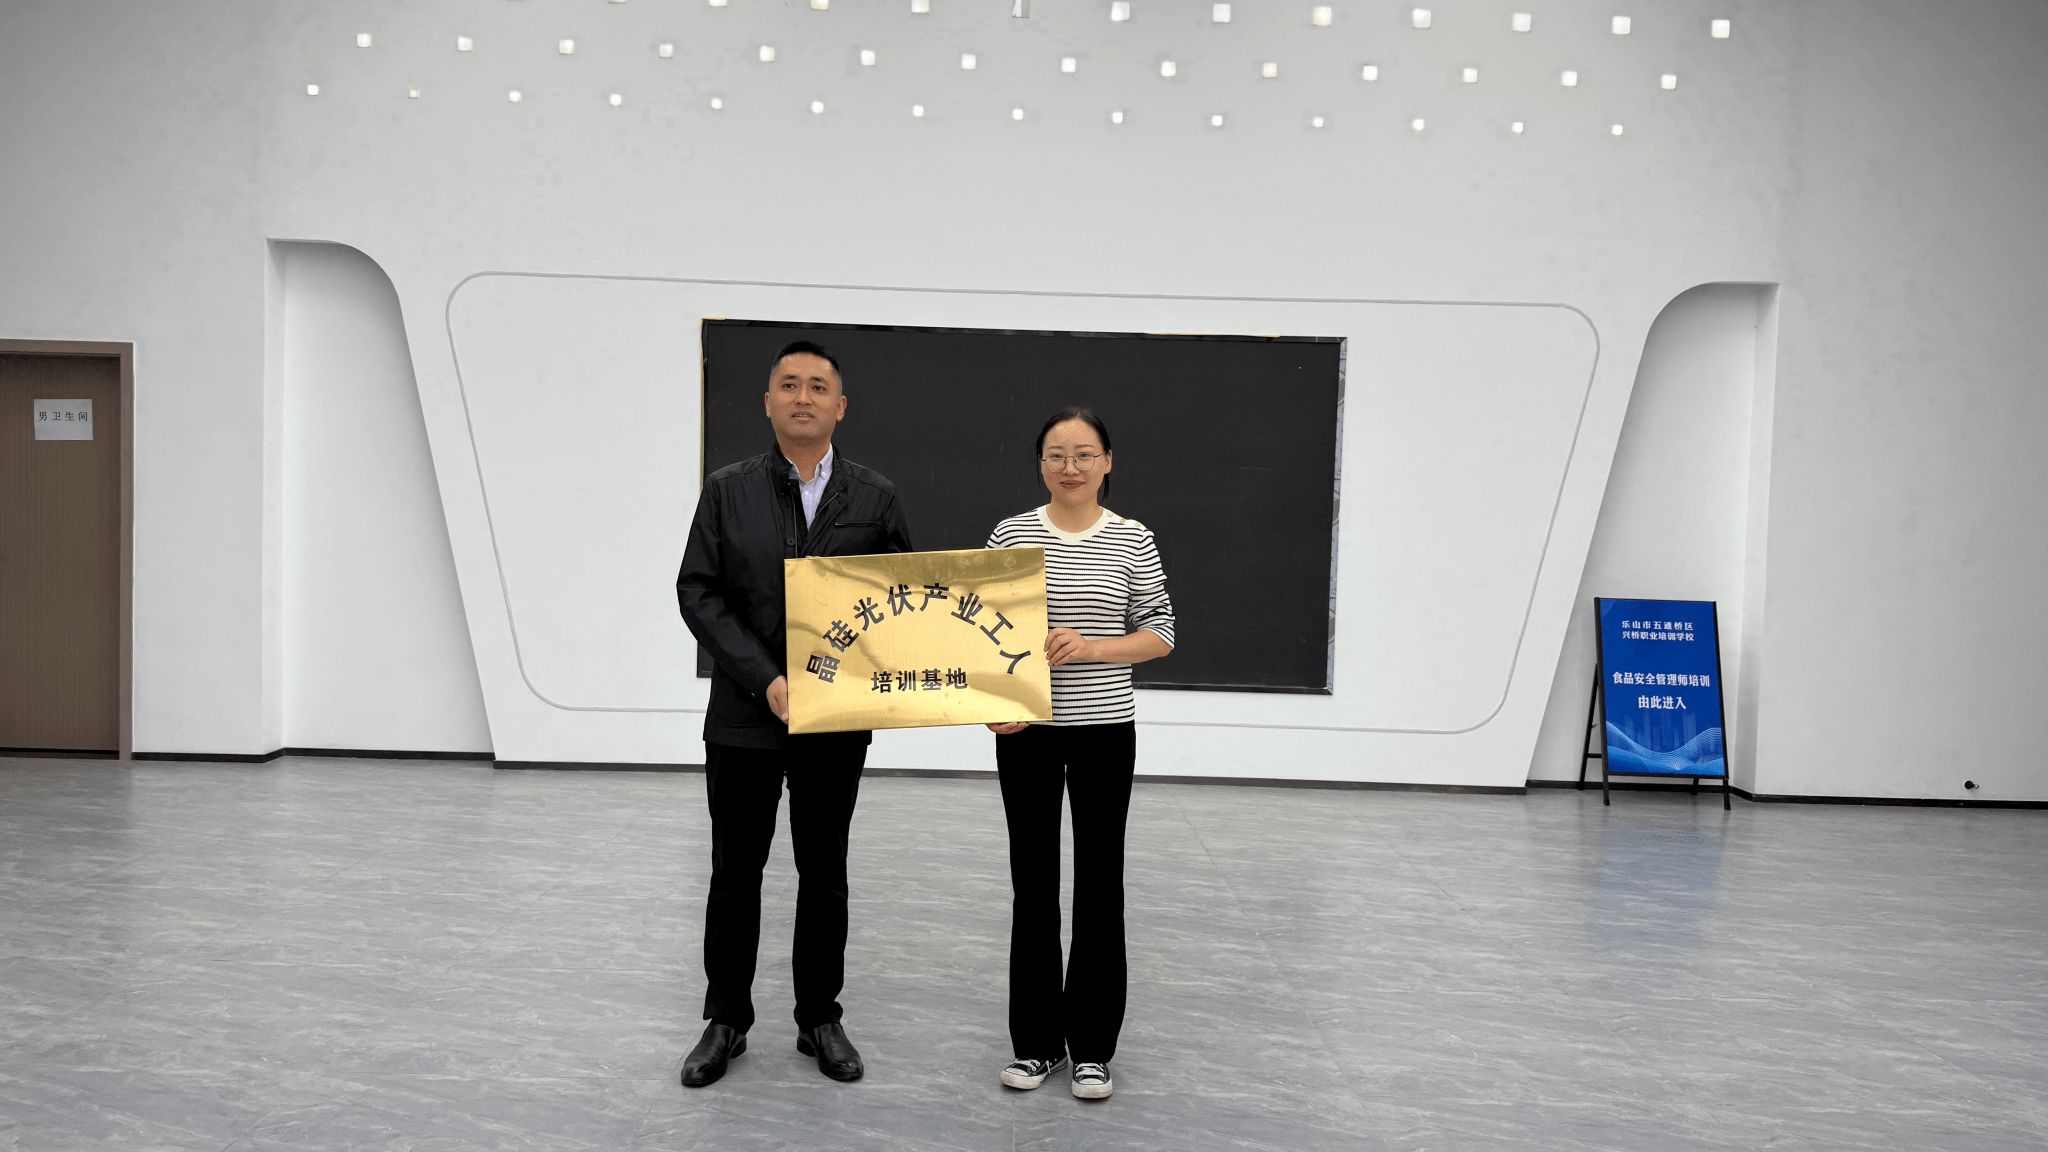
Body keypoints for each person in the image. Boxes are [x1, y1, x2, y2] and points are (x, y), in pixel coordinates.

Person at [674, 340, 913, 1088]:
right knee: (734, 872)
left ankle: (819, 1017)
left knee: (824, 871)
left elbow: (903, 603)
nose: (802, 397)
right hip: (744, 715)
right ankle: (726, 1019)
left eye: (817, 387)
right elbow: (697, 592)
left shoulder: (876, 497)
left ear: (840, 406)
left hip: (835, 719)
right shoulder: (727, 490)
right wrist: (767, 679)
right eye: (788, 385)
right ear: (768, 402)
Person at [983, 407, 1175, 1100]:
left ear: (1107, 462)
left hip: (1104, 731)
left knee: (1100, 882)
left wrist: (1092, 647)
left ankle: (1092, 1047)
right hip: (1027, 732)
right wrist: (991, 703)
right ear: (1040, 463)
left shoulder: (1132, 538)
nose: (1070, 467)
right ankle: (1037, 1045)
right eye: (1057, 455)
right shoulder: (1010, 535)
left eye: (1084, 454)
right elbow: (979, 632)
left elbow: (1160, 633)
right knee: (1033, 883)